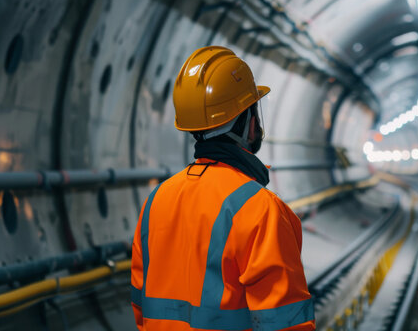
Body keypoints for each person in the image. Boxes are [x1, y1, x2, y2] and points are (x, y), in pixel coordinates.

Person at [130, 46, 315, 330]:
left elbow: (141, 306)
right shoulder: (260, 210)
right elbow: (284, 322)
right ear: (246, 123)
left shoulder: (156, 201)